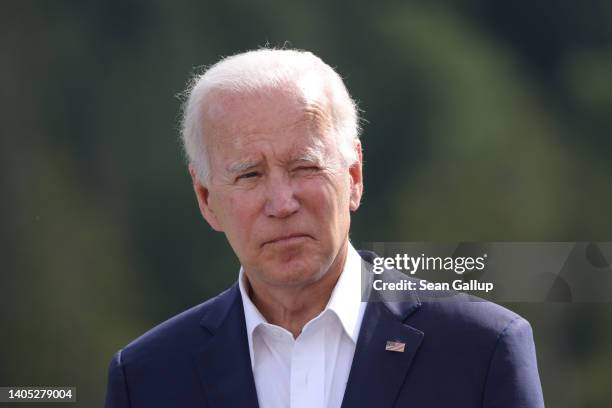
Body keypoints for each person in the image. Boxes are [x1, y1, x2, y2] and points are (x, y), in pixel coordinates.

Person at [105, 48, 545, 408]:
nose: (281, 203)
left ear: (353, 177)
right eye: (249, 175)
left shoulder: (481, 349)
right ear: (206, 199)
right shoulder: (147, 378)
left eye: (304, 166)